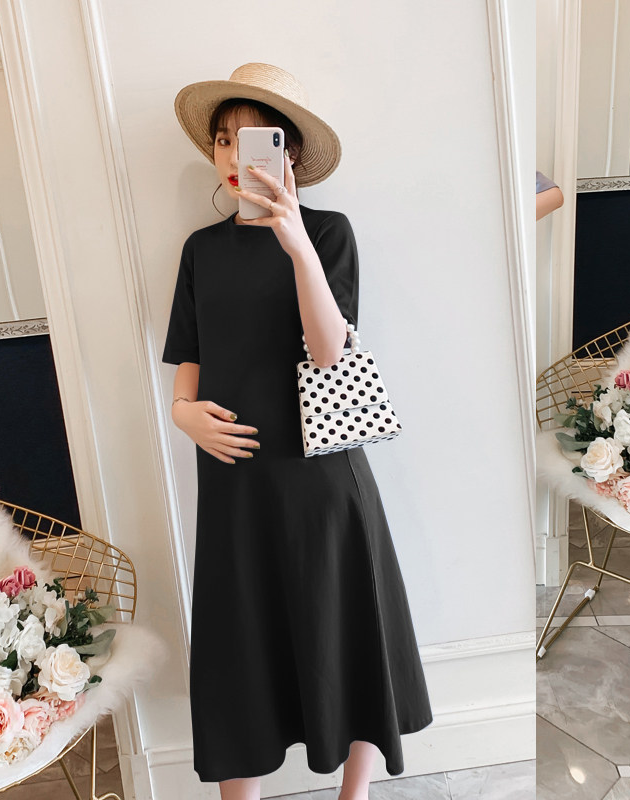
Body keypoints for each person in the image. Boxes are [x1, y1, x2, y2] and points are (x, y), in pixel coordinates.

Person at [162, 62, 433, 800]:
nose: (234, 155)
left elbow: (330, 352)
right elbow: (188, 357)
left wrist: (295, 242)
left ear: (291, 153)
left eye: (255, 140)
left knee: (344, 629)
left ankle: (355, 793)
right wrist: (183, 414)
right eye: (223, 140)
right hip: (233, 481)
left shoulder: (328, 233)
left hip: (321, 474)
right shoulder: (200, 250)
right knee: (239, 644)